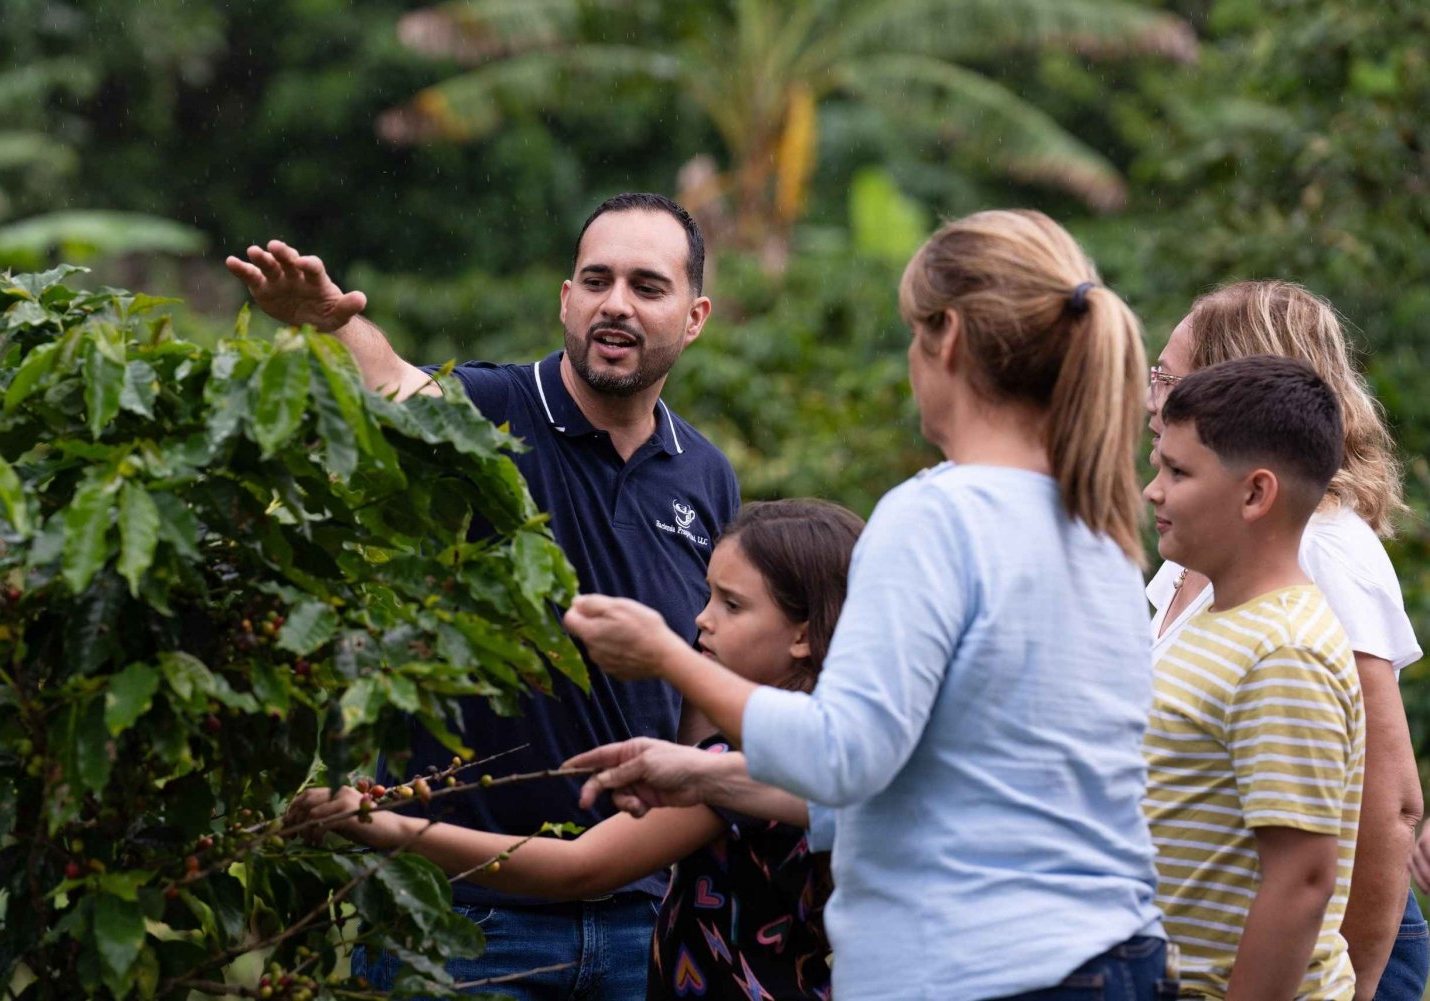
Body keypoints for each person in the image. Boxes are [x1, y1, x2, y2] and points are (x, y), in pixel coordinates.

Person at [564, 209, 1171, 1000]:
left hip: (981, 970)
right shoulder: (1100, 530)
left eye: (914, 336)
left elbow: (842, 754)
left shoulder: (937, 515)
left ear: (946, 336)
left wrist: (664, 655)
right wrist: (701, 774)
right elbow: (924, 777)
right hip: (1113, 957)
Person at [226, 193, 741, 998]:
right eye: (596, 280)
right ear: (565, 299)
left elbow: (708, 674)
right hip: (464, 925)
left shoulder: (706, 475)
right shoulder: (493, 407)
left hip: (643, 926)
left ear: (695, 314)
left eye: (647, 286)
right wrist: (331, 321)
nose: (616, 304)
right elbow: (396, 387)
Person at [289, 499, 861, 999]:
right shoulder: (852, 750)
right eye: (708, 594)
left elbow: (576, 868)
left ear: (803, 634)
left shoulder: (740, 773)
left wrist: (389, 827)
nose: (701, 619)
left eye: (731, 605)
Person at [1146, 281, 1424, 1000]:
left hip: (1332, 936)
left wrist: (1358, 987)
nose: (1152, 398)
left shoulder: (1322, 547)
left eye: (1168, 378)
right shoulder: (1207, 552)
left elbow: (1386, 805)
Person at [1143, 355, 1363, 998]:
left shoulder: (1284, 652)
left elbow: (1300, 882)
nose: (1153, 491)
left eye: (1178, 471)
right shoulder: (1218, 618)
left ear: (1255, 493)